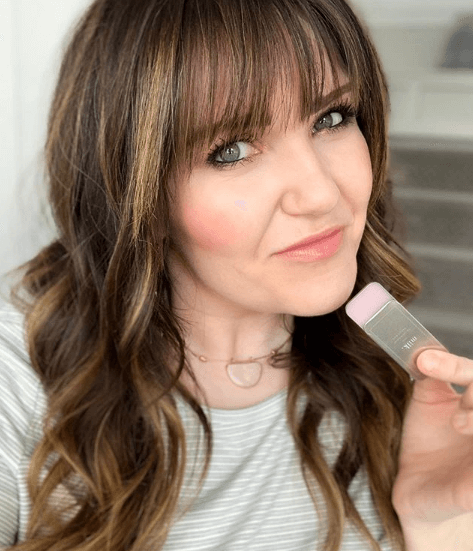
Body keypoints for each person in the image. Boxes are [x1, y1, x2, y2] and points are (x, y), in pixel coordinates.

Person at [0, 0, 472, 549]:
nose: (321, 193)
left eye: (331, 118)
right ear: (135, 187)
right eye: (232, 150)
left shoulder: (394, 377)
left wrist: (437, 525)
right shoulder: (19, 380)